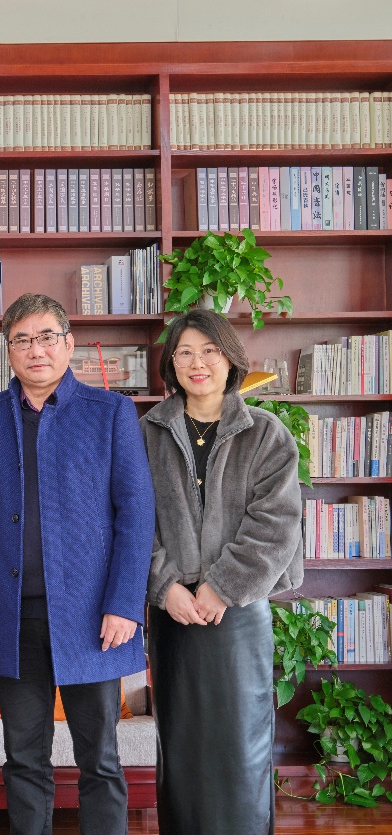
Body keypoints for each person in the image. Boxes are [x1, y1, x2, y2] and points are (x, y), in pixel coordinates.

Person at [0, 293, 155, 835]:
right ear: (8, 351)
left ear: (69, 344)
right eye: (22, 340)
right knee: (23, 758)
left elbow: (136, 514)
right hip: (11, 616)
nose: (35, 350)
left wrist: (124, 603)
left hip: (94, 618)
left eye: (46, 337)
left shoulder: (110, 412)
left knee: (100, 758)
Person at [142, 309, 302, 834]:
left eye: (209, 350)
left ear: (230, 358)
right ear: (171, 363)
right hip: (174, 615)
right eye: (185, 352)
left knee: (241, 747)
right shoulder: (146, 433)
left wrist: (222, 587)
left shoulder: (266, 433)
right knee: (181, 746)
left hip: (239, 615)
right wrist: (165, 586)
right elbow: (131, 521)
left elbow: (276, 524)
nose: (198, 362)